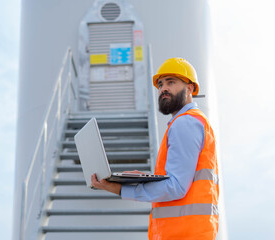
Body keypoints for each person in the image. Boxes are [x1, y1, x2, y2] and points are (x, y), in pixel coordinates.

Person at [91, 57, 219, 240]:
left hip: (183, 235)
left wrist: (122, 188)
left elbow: (176, 187)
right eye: (160, 84)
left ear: (190, 88)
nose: (163, 88)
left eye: (171, 82)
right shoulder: (190, 122)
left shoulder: (185, 123)